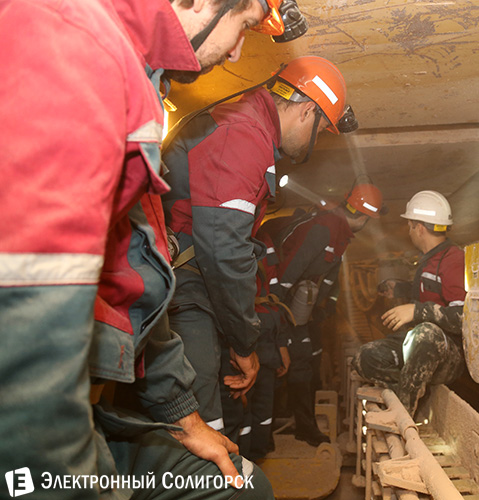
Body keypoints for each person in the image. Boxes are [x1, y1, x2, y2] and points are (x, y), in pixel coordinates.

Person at [0, 0, 288, 498]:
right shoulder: (75, 43)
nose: (237, 52)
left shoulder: (134, 79)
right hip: (30, 413)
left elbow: (136, 274)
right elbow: (28, 314)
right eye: (243, 26)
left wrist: (183, 417)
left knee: (243, 485)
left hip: (72, 396)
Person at [161, 56, 357, 449]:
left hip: (195, 284)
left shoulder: (248, 127)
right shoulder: (244, 135)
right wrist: (244, 343)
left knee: (219, 420)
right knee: (203, 429)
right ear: (307, 111)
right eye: (321, 129)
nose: (317, 140)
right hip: (185, 284)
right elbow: (224, 250)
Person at [257, 183, 384, 447]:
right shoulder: (322, 230)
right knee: (282, 364)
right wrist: (279, 323)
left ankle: (301, 425)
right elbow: (286, 276)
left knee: (302, 363)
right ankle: (270, 433)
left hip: (298, 308)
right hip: (279, 306)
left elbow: (326, 279)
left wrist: (319, 310)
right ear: (364, 217)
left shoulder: (339, 234)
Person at [353, 191, 466, 417]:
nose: (409, 231)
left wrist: (416, 311)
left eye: (410, 226)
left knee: (426, 333)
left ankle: (402, 411)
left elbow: (462, 317)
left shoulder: (454, 259)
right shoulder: (428, 259)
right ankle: (412, 386)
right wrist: (401, 289)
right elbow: (432, 291)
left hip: (446, 354)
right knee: (364, 358)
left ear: (420, 228)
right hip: (418, 349)